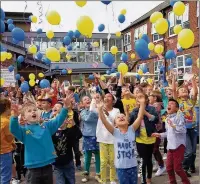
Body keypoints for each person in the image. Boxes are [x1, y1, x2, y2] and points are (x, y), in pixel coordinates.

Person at [9, 93, 73, 184]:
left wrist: (66, 107)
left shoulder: (46, 126)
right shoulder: (24, 130)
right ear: (23, 117)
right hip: (33, 169)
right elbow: (13, 129)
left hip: (48, 166)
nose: (33, 112)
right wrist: (14, 117)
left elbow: (58, 120)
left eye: (35, 110)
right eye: (29, 111)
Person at [96, 93, 146, 184]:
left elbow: (140, 116)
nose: (121, 117)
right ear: (115, 124)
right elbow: (104, 120)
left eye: (123, 117)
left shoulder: (132, 129)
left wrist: (142, 103)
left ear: (128, 121)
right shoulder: (115, 132)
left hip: (133, 166)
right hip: (121, 167)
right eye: (118, 117)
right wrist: (99, 109)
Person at [152, 99, 191, 184]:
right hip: (170, 147)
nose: (169, 105)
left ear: (177, 108)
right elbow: (168, 133)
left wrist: (174, 126)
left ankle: (186, 182)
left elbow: (183, 130)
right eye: (168, 104)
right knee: (169, 168)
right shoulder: (167, 119)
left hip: (179, 146)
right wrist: (160, 135)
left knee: (177, 168)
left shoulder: (179, 117)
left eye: (172, 104)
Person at [129, 92, 159, 184]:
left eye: (141, 97)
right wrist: (127, 113)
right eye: (137, 97)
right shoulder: (134, 110)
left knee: (149, 159)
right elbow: (130, 123)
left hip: (150, 138)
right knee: (143, 160)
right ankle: (143, 180)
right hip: (139, 138)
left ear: (146, 100)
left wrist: (144, 112)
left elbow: (156, 120)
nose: (139, 99)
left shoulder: (151, 108)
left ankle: (149, 178)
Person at [172, 74, 198, 176]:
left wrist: (193, 80)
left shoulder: (191, 101)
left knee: (194, 151)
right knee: (188, 151)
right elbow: (174, 90)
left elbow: (195, 92)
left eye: (185, 90)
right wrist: (174, 78)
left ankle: (191, 165)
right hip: (183, 130)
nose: (184, 91)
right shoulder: (178, 102)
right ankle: (184, 167)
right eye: (181, 90)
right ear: (178, 95)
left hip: (193, 128)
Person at [96, 93, 120, 184]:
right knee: (103, 162)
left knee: (112, 161)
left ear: (113, 100)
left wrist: (107, 114)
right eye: (105, 97)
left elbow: (115, 123)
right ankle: (103, 180)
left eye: (109, 96)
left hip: (113, 139)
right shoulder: (99, 108)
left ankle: (112, 180)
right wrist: (96, 100)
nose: (106, 98)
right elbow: (91, 109)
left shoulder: (116, 110)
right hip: (102, 139)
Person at [51, 101, 76, 184]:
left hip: (68, 162)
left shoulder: (69, 130)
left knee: (70, 181)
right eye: (54, 107)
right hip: (56, 164)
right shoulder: (51, 130)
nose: (56, 108)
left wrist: (73, 126)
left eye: (58, 107)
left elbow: (77, 136)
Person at [80, 95, 101, 183]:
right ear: (82, 103)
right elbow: (87, 119)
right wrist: (92, 109)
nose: (88, 100)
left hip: (98, 135)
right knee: (87, 156)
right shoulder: (83, 112)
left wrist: (95, 108)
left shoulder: (98, 110)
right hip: (88, 136)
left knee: (98, 155)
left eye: (89, 99)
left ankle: (98, 174)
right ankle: (86, 174)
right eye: (85, 99)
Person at [148, 90, 166, 176]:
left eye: (150, 95)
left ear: (155, 98)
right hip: (151, 130)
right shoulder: (149, 106)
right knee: (153, 149)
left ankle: (162, 166)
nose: (148, 97)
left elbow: (153, 113)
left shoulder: (157, 105)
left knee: (155, 148)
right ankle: (158, 163)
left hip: (158, 130)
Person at [0, 98, 16, 184]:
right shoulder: (6, 121)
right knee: (5, 177)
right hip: (4, 151)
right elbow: (9, 137)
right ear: (6, 107)